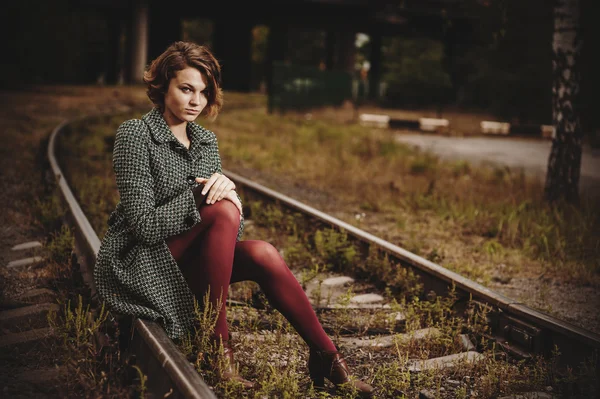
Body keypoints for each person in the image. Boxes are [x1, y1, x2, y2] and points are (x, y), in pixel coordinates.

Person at [94, 41, 373, 396]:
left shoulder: (206, 142)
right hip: (141, 262)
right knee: (222, 206)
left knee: (263, 253)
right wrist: (201, 197)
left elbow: (227, 229)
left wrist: (229, 196)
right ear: (163, 86)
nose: (196, 100)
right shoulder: (136, 135)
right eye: (186, 89)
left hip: (187, 260)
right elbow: (144, 227)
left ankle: (327, 357)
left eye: (204, 92)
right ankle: (218, 351)